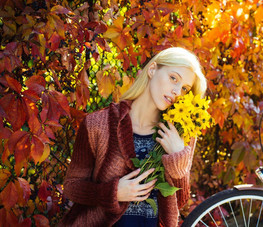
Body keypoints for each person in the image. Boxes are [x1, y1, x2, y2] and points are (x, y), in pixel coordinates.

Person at [60, 47, 207, 227]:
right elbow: (72, 187)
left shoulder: (180, 134)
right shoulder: (98, 124)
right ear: (152, 70)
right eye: (173, 78)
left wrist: (177, 155)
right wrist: (112, 193)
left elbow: (180, 199)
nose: (177, 91)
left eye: (185, 88)